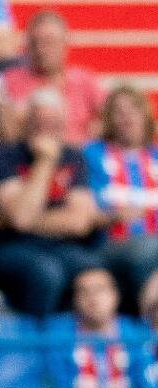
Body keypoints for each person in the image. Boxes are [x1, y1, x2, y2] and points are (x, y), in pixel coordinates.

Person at [0, 90, 102, 317]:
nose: (46, 127)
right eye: (39, 120)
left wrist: (21, 219)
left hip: (59, 245)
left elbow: (79, 222)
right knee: (47, 273)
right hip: (9, 246)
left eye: (53, 121)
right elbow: (21, 218)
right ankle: (36, 342)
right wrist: (45, 161)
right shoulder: (2, 156)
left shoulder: (73, 157)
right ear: (27, 122)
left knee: (95, 269)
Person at [48, 265, 154, 388]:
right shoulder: (59, 337)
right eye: (84, 291)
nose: (93, 298)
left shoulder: (136, 336)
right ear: (74, 300)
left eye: (100, 289)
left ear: (116, 295)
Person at [85, 86, 158, 309]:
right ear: (108, 119)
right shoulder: (92, 154)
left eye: (133, 109)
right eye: (118, 111)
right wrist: (109, 216)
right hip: (110, 245)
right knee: (150, 247)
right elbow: (83, 210)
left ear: (145, 115)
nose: (127, 117)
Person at [4, 12, 102, 144]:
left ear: (64, 43)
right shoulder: (10, 80)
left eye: (48, 42)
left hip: (77, 155)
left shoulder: (84, 81)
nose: (41, 49)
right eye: (35, 42)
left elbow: (108, 119)